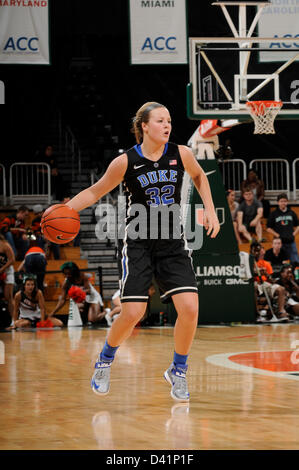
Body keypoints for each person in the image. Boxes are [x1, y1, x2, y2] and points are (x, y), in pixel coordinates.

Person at [60, 101, 220, 402]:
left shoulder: (181, 154)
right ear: (144, 126)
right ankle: (105, 360)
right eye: (160, 121)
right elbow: (95, 191)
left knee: (190, 308)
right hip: (139, 243)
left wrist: (209, 209)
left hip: (172, 242)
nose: (167, 125)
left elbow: (200, 176)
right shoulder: (126, 162)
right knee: (134, 311)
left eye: (169, 121)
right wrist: (66, 209)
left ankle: (179, 370)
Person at [251, 241, 288, 322]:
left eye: (259, 250)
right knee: (254, 287)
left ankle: (281, 312)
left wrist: (266, 275)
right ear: (252, 251)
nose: (257, 253)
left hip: (265, 283)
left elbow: (272, 280)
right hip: (254, 283)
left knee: (280, 289)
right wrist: (256, 272)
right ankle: (257, 314)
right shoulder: (249, 262)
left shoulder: (266, 264)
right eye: (255, 251)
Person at [266, 193, 299, 266]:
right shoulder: (274, 214)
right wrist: (277, 235)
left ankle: (296, 276)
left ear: (287, 202)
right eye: (281, 201)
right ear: (278, 202)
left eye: (285, 201)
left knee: (295, 262)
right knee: (282, 264)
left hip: (291, 242)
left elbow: (298, 226)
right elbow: (268, 228)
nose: (283, 203)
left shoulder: (292, 213)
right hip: (280, 243)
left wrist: (294, 234)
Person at [0, 233, 15, 322]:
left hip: (7, 272)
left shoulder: (5, 245)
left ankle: (14, 320)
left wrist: (2, 269)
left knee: (8, 296)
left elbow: (12, 260)